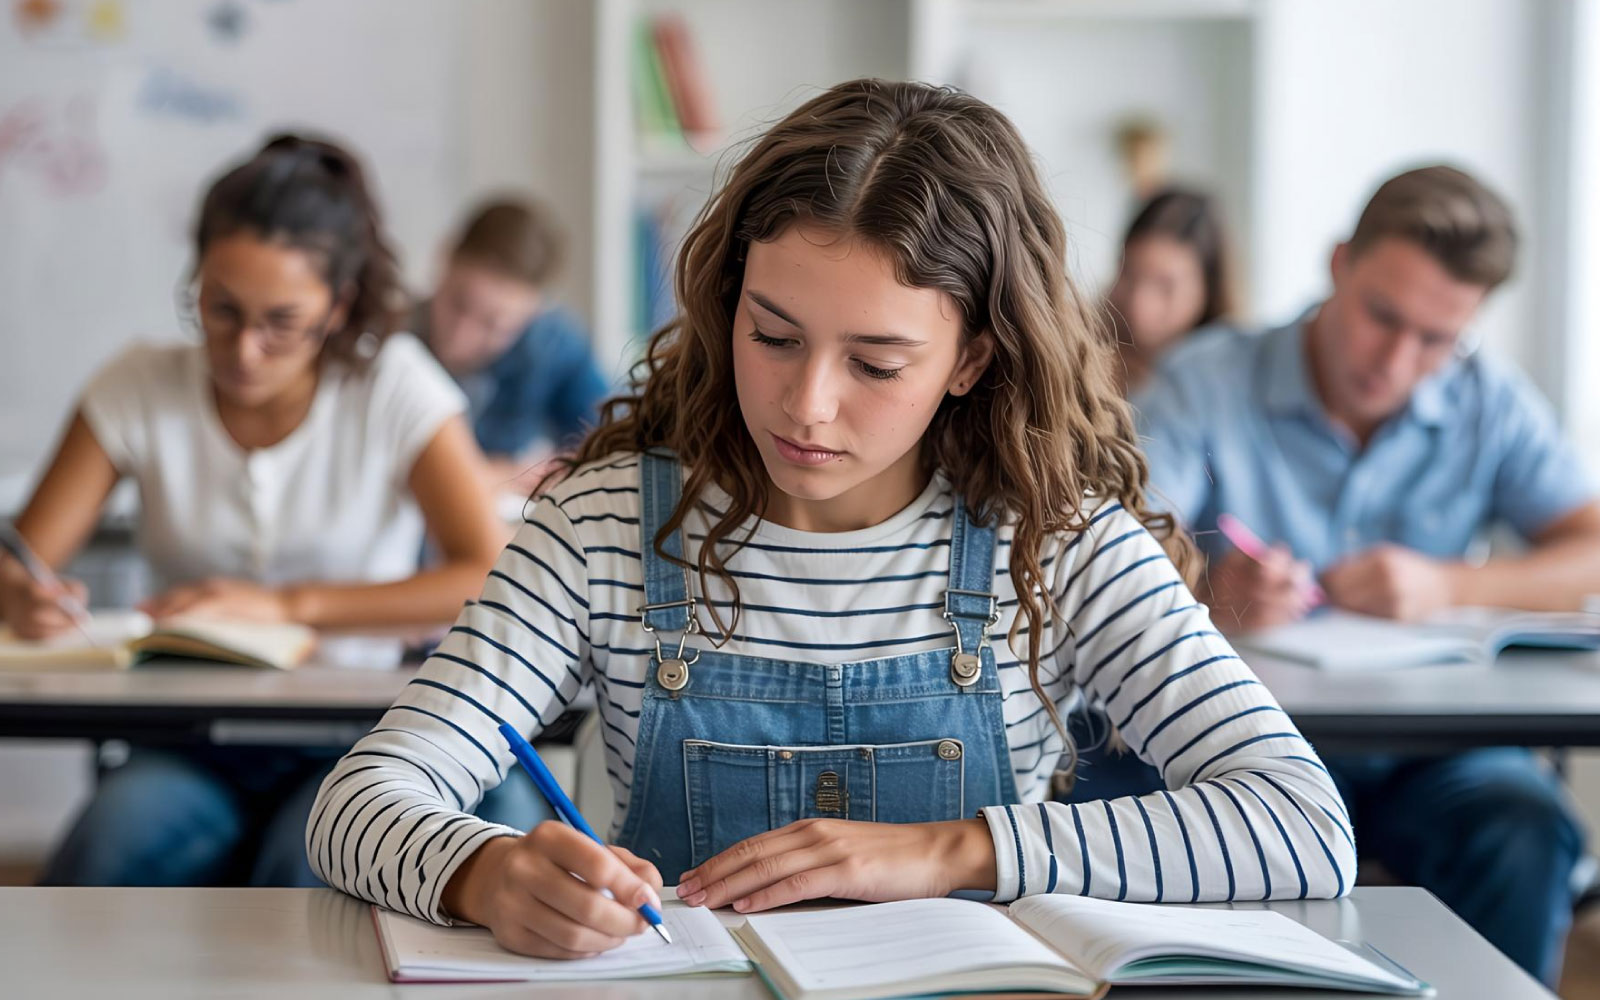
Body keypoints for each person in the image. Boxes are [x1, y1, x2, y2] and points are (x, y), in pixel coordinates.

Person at [308, 79, 1353, 960]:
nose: (805, 404)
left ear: (971, 361)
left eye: (874, 363)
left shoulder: (1058, 542)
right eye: (772, 335)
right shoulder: (605, 525)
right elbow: (358, 800)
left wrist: (954, 850)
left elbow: (1302, 824)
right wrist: (485, 871)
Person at [0, 134, 505, 886]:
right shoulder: (138, 384)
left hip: (356, 738)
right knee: (104, 854)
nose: (244, 350)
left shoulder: (394, 386)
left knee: (303, 876)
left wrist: (284, 605)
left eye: (282, 322)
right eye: (221, 310)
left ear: (336, 307)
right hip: (185, 738)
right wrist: (20, 596)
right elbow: (21, 561)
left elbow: (489, 573)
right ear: (196, 280)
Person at [1134, 164, 1597, 982]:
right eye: (1384, 316)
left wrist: (1450, 585)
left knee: (1523, 826)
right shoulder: (1206, 381)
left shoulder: (1489, 399)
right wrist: (1216, 592)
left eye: (1438, 339)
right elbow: (1115, 544)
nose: (1398, 359)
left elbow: (1589, 548)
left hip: (1440, 755)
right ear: (1341, 263)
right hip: (1253, 742)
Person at [416, 199, 610, 492]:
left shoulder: (551, 344)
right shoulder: (388, 341)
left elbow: (612, 444)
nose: (462, 335)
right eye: (458, 303)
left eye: (493, 324)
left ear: (535, 310)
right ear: (445, 257)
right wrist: (505, 475)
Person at [1105, 187, 1234, 393]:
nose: (1140, 304)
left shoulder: (1226, 381)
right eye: (1128, 274)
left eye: (1165, 286)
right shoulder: (1081, 349)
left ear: (1207, 290)